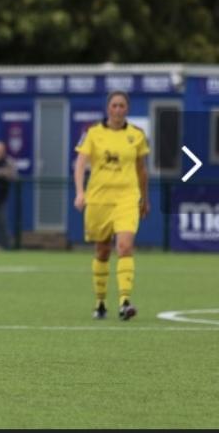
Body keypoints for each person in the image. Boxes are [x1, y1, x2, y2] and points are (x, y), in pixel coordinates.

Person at [74, 90, 149, 321]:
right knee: (102, 251)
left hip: (127, 198)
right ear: (108, 108)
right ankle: (100, 302)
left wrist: (144, 198)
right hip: (99, 199)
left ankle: (124, 302)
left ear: (128, 109)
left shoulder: (137, 135)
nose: (118, 110)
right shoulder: (92, 133)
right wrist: (80, 192)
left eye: (122, 106)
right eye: (114, 105)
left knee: (125, 246)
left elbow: (141, 170)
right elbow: (80, 164)